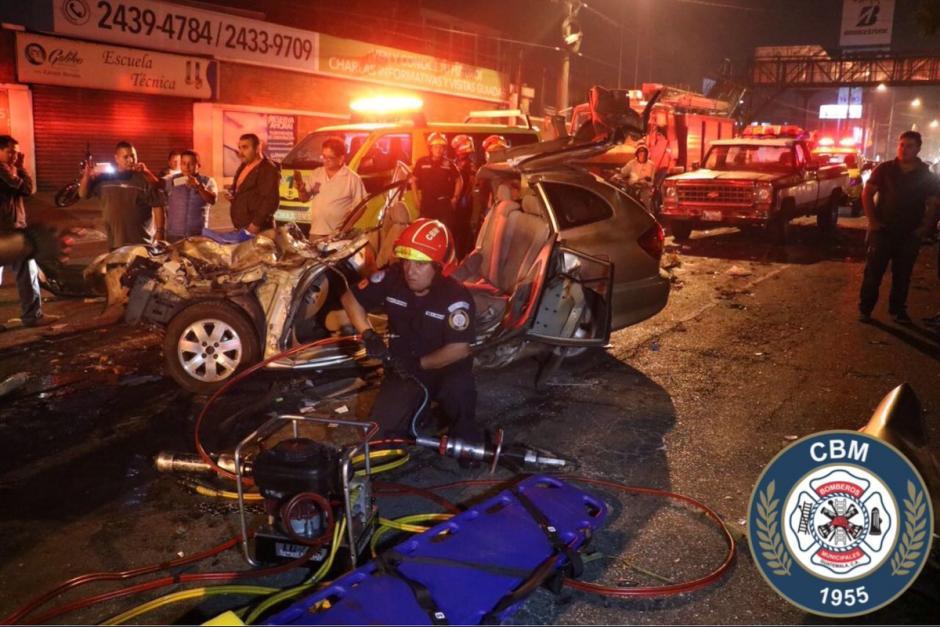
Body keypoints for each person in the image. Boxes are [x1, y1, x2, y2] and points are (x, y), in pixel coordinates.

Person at [340, 218, 482, 445]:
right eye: (407, 262)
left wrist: (417, 364)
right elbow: (350, 299)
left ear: (438, 267)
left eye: (420, 264)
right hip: (404, 369)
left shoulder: (456, 297)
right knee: (378, 439)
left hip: (445, 368)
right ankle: (417, 411)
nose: (410, 271)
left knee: (459, 396)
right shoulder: (392, 278)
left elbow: (459, 349)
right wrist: (368, 334)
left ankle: (463, 431)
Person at [859, 131, 940, 324]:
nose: (904, 149)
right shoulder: (885, 169)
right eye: (901, 145)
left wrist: (924, 228)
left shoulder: (925, 174)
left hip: (909, 234)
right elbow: (867, 194)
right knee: (873, 272)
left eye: (909, 146)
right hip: (883, 231)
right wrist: (872, 221)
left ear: (918, 148)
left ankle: (897, 311)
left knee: (903, 275)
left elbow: (935, 203)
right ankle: (865, 309)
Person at [0, 135, 57, 327]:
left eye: (16, 152)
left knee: (26, 270)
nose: (15, 156)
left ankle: (32, 315)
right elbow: (25, 189)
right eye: (10, 152)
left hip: (10, 228)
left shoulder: (8, 169)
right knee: (26, 271)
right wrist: (22, 168)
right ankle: (32, 316)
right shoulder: (2, 170)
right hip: (8, 230)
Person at [79, 141, 164, 250]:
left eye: (133, 156)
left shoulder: (144, 179)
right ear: (117, 158)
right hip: (115, 243)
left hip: (141, 243)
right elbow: (83, 194)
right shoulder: (105, 179)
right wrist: (87, 175)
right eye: (126, 157)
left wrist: (160, 232)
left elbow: (158, 204)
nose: (131, 160)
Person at [293, 136, 366, 240]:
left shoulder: (352, 178)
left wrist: (345, 228)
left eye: (330, 158)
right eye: (323, 156)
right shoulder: (316, 173)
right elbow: (304, 199)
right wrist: (301, 190)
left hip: (338, 237)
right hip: (316, 233)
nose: (325, 161)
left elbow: (362, 206)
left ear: (341, 158)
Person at [227, 133, 280, 234]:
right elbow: (244, 191)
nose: (241, 152)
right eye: (240, 148)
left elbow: (271, 200)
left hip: (257, 228)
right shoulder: (243, 166)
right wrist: (232, 196)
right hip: (242, 225)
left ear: (257, 148)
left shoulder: (267, 168)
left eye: (245, 147)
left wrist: (256, 224)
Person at [161, 150, 217, 242]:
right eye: (183, 163)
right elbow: (157, 184)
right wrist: (145, 172)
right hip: (174, 235)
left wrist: (199, 187)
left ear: (198, 165)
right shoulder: (171, 180)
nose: (186, 167)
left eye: (190, 164)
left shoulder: (208, 181)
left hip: (198, 235)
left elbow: (212, 200)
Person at [411, 133, 462, 232]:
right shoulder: (421, 162)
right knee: (424, 230)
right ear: (431, 148)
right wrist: (416, 199)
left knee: (444, 231)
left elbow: (459, 180)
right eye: (435, 147)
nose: (438, 150)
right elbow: (413, 180)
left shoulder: (449, 164)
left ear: (444, 149)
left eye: (441, 147)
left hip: (444, 204)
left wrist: (455, 198)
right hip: (427, 203)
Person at [451, 134, 477, 258]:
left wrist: (463, 200)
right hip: (455, 202)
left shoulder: (470, 164)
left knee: (462, 232)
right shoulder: (455, 162)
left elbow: (471, 185)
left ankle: (460, 257)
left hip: (463, 204)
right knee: (454, 230)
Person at [620, 144, 656, 210]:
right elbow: (623, 173)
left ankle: (648, 213)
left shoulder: (651, 165)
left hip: (645, 188)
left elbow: (651, 180)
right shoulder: (631, 163)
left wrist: (646, 183)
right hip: (632, 187)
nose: (642, 155)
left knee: (646, 200)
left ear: (647, 154)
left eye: (644, 153)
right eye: (640, 153)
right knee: (626, 201)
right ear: (637, 154)